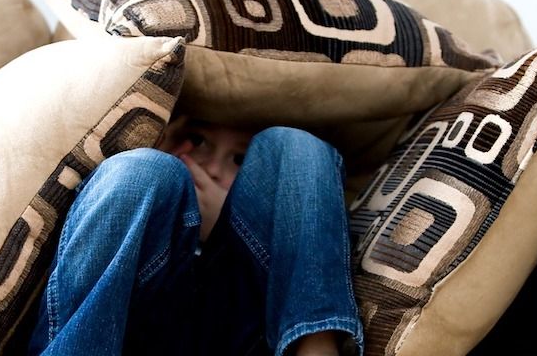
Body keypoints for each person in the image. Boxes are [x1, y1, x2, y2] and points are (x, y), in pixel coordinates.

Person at [27, 114, 363, 356]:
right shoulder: (157, 178)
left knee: (296, 145)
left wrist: (221, 222)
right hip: (127, 328)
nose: (212, 168)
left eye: (240, 158)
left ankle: (315, 345)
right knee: (141, 171)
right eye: (198, 141)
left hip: (240, 325)